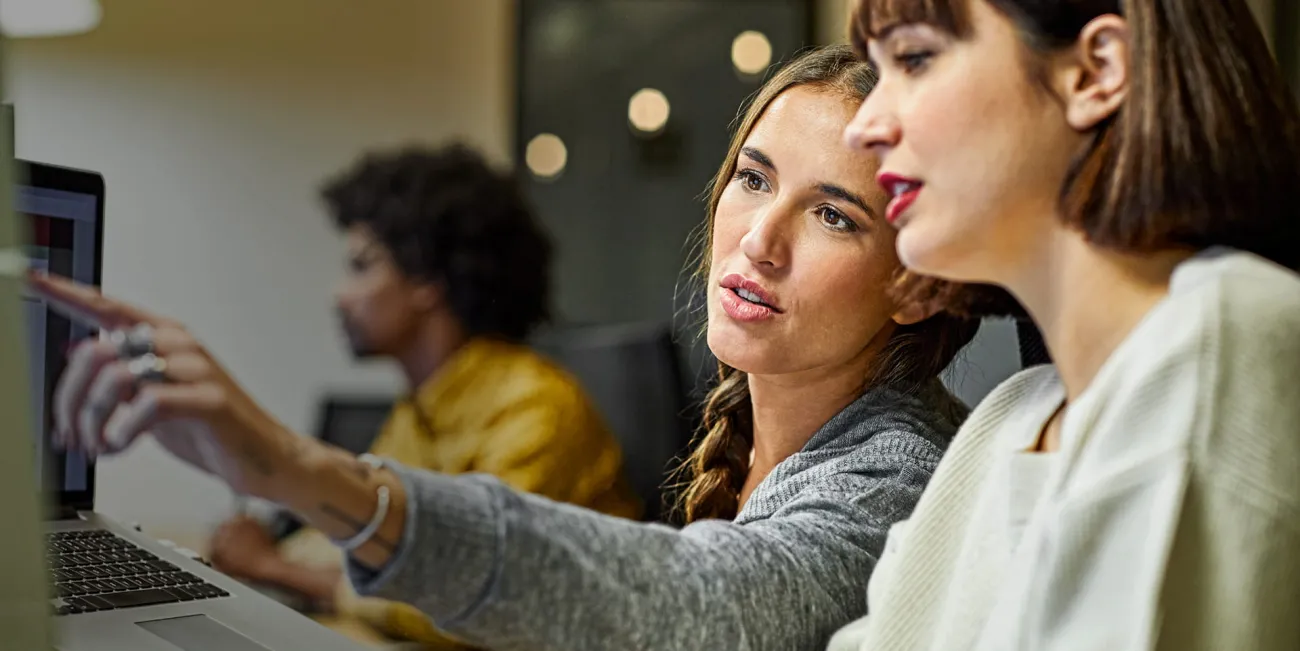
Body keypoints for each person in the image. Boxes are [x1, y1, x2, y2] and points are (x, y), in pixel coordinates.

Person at [33, 45, 981, 651]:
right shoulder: (770, 438)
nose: (758, 240)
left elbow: (704, 603)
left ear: (916, 276)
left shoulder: (901, 473)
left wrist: (291, 466)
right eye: (752, 177)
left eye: (832, 214)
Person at [829, 0, 1300, 649]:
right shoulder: (1006, 421)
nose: (865, 126)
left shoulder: (1221, 335)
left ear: (1095, 71)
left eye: (915, 58)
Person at [209, 144, 641, 646]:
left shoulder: (539, 408)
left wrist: (274, 567)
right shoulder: (419, 409)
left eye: (361, 266)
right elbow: (363, 537)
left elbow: (475, 595)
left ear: (426, 281)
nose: (340, 294)